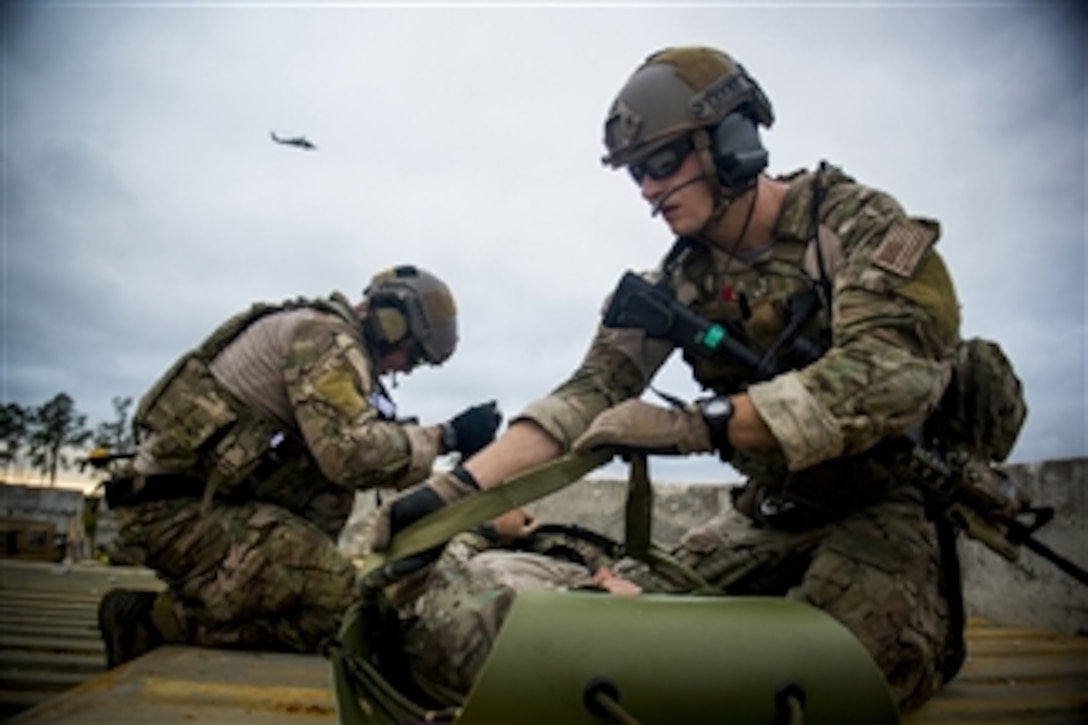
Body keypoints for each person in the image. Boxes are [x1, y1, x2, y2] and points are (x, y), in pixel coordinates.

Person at [369, 47, 982, 713]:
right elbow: (589, 395)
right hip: (769, 514)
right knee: (603, 640)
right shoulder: (679, 281)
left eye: (663, 163)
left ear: (732, 139)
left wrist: (696, 426)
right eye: (637, 173)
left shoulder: (856, 228)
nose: (649, 189)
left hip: (882, 509)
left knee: (830, 676)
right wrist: (451, 493)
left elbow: (892, 375)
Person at [97, 264, 503, 669]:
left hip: (205, 507)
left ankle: (230, 599)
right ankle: (151, 624)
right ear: (390, 323)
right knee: (345, 607)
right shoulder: (323, 340)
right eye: (413, 353)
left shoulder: (332, 344)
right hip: (174, 512)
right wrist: (446, 436)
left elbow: (363, 458)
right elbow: (351, 457)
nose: (407, 368)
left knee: (333, 612)